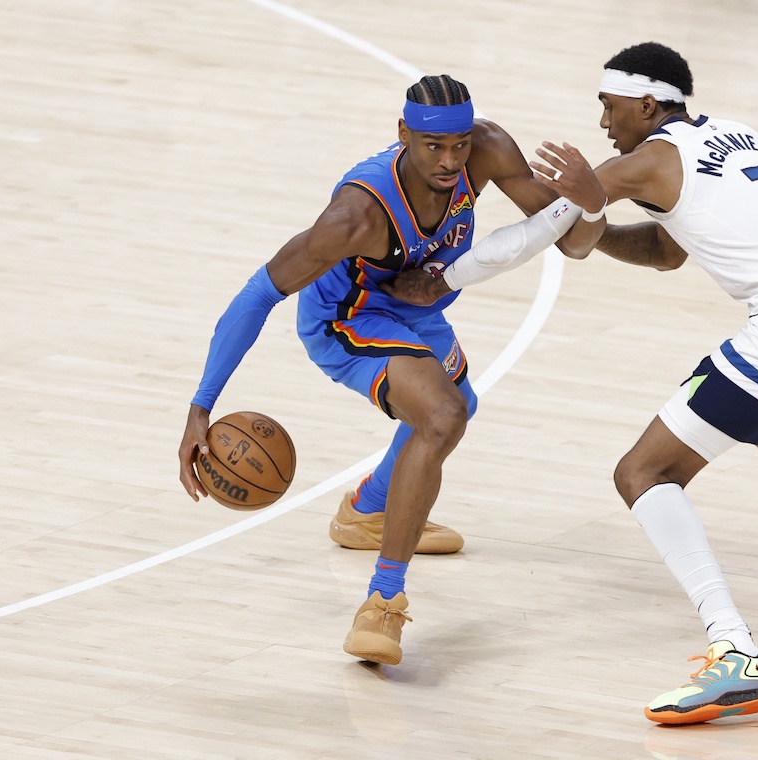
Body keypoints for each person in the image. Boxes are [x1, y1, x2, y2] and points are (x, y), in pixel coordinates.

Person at [396, 43, 758, 724]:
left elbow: (547, 236)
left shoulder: (643, 160)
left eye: (610, 108)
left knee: (643, 473)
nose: (603, 124)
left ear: (647, 104)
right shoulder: (737, 134)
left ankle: (736, 656)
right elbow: (664, 251)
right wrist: (594, 219)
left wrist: (446, 277)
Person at [176, 74, 598, 667]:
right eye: (434, 147)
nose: (452, 160)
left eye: (459, 144)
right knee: (442, 414)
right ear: (403, 134)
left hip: (417, 303)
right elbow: (257, 294)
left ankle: (369, 510)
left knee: (459, 406)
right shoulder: (356, 216)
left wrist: (594, 198)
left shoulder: (489, 148)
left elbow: (573, 241)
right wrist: (201, 405)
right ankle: (383, 600)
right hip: (347, 320)